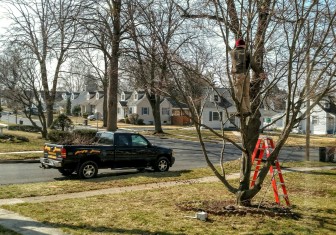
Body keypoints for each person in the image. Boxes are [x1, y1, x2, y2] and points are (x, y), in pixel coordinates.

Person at [230, 39, 251, 117]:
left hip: (238, 74)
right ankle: (248, 110)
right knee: (246, 94)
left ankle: (244, 111)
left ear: (237, 45)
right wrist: (260, 72)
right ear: (244, 45)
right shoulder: (248, 52)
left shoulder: (233, 52)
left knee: (238, 94)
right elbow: (252, 64)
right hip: (247, 75)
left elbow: (234, 62)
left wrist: (233, 70)